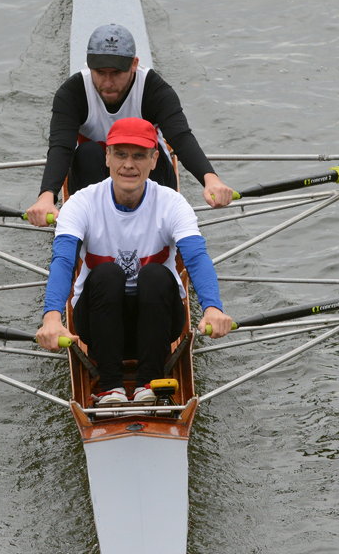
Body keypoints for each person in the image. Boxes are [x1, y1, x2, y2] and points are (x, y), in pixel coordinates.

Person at [35, 117, 234, 404]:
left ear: (154, 160)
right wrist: (52, 318)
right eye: (120, 154)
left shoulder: (172, 203)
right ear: (107, 157)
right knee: (106, 274)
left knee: (154, 275)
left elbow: (196, 257)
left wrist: (213, 308)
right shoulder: (81, 203)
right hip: (97, 322)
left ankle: (149, 384)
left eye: (139, 155)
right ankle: (109, 385)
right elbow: (64, 261)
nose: (129, 164)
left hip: (160, 322)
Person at [24, 23, 234, 227]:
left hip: (147, 173)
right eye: (100, 72)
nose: (107, 83)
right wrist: (46, 197)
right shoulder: (72, 93)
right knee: (87, 153)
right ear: (89, 65)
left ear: (134, 64)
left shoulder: (155, 90)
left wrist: (211, 179)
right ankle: (94, 225)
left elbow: (181, 138)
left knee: (150, 153)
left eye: (116, 73)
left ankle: (154, 222)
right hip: (94, 172)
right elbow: (61, 147)